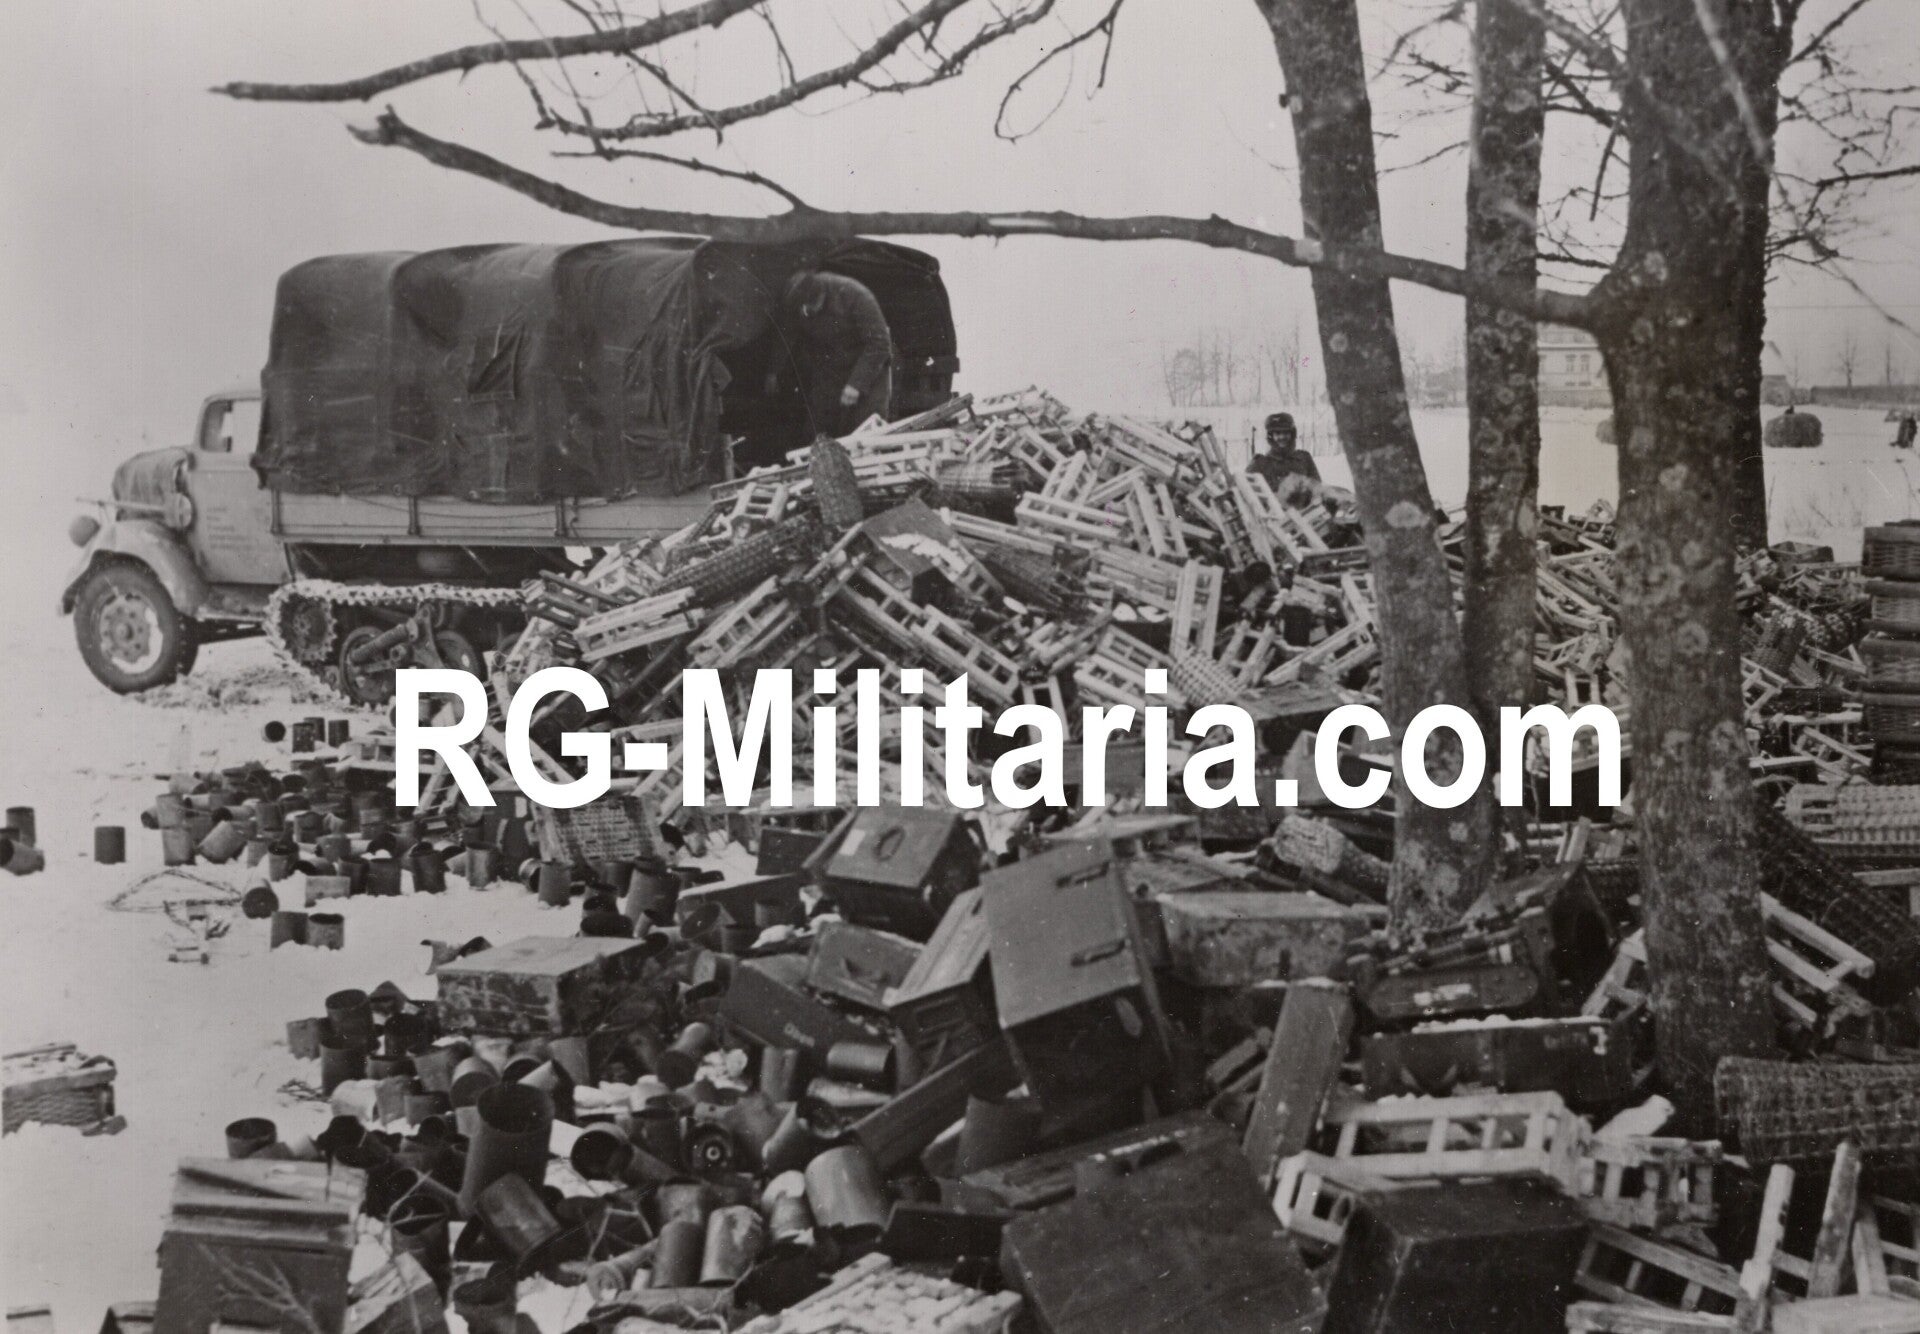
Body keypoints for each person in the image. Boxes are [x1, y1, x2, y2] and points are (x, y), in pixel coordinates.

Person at [772, 269, 894, 439]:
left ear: (821, 295)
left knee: (867, 430)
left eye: (812, 308)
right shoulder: (798, 302)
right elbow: (787, 337)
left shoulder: (855, 294)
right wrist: (773, 371)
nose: (808, 313)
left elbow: (879, 344)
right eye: (803, 310)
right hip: (830, 368)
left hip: (867, 366)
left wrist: (856, 384)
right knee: (818, 429)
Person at [1248, 412, 1320, 495]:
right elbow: (1244, 490)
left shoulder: (1304, 458)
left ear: (1292, 434)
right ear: (1271, 436)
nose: (1282, 437)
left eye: (1286, 433)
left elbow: (1318, 489)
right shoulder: (1259, 463)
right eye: (1277, 433)